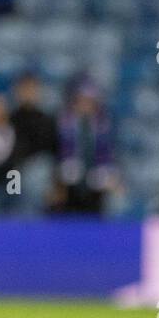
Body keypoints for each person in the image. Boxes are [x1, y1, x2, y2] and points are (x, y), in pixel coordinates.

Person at [50, 76, 118, 215]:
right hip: (68, 175)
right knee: (68, 175)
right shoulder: (62, 123)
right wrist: (57, 177)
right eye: (81, 101)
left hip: (96, 173)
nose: (85, 105)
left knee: (112, 189)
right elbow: (55, 152)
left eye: (89, 101)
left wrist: (111, 173)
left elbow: (109, 153)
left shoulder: (103, 125)